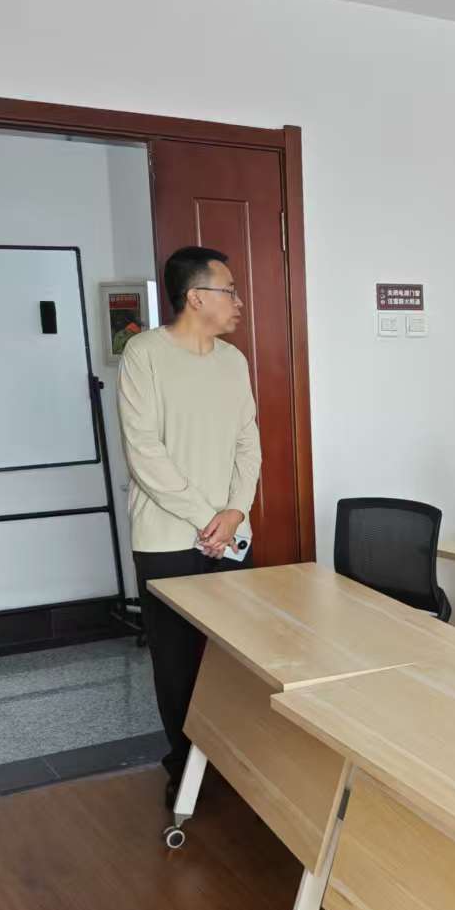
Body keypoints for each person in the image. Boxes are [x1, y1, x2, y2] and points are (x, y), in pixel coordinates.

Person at [118, 246, 261, 804]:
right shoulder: (144, 354)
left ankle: (238, 764)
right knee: (177, 664)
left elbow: (248, 443)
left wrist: (235, 513)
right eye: (230, 290)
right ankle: (185, 771)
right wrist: (209, 518)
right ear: (196, 297)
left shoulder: (233, 361)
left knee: (239, 660)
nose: (239, 301)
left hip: (230, 537)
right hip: (167, 539)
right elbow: (144, 453)